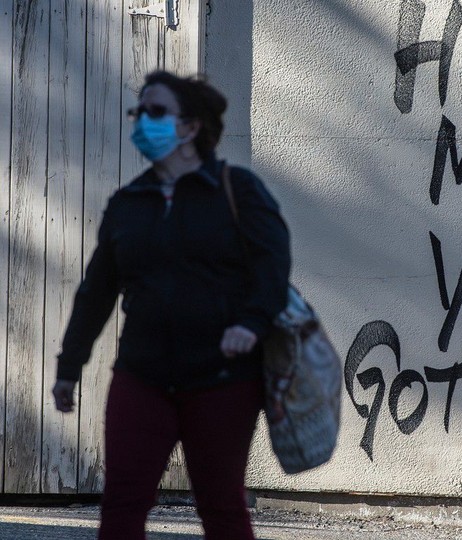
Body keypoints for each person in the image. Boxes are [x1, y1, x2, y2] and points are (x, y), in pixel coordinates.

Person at [52, 70, 291, 539]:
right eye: (138, 111)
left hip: (222, 378)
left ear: (190, 127)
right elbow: (96, 292)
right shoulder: (128, 202)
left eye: (155, 111)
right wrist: (68, 366)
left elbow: (273, 267)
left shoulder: (237, 190)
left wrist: (251, 323)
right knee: (122, 502)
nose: (142, 121)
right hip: (142, 376)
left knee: (220, 505)